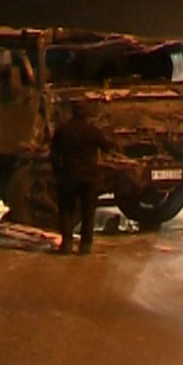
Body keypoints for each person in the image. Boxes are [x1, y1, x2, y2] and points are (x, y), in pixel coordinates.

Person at [50, 102, 115, 255]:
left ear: (72, 113)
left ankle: (66, 244)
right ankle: (85, 246)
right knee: (88, 212)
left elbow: (54, 155)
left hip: (68, 176)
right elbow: (106, 146)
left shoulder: (62, 131)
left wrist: (57, 172)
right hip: (89, 178)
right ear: (86, 115)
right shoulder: (93, 131)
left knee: (66, 210)